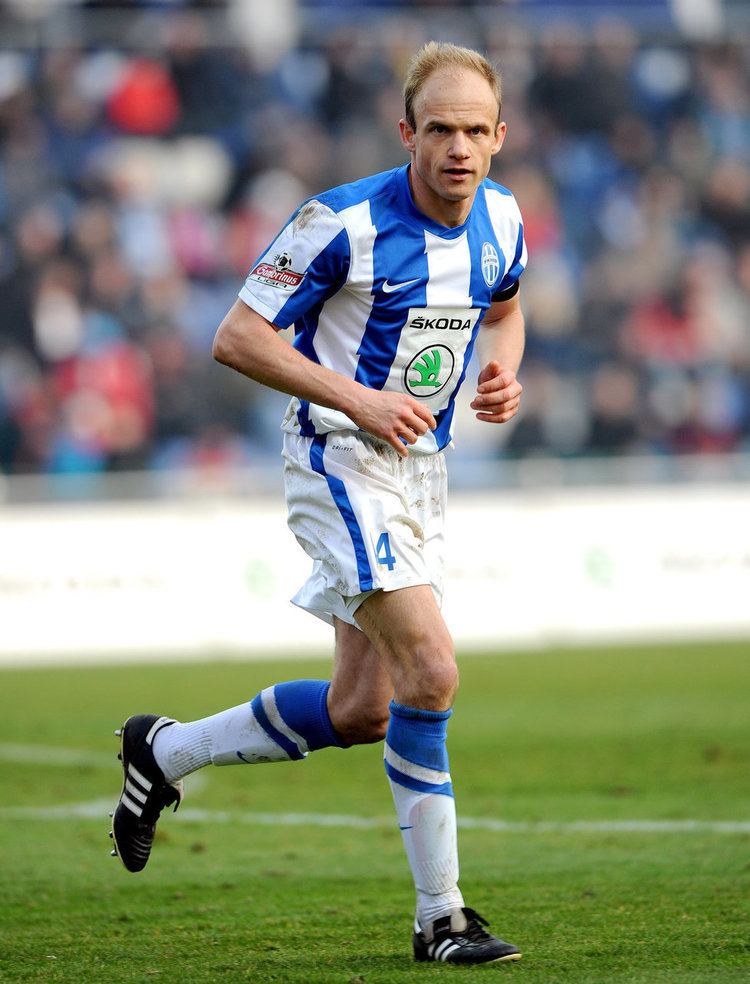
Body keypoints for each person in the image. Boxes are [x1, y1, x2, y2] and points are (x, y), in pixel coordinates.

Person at [110, 40, 526, 966]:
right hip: (337, 460)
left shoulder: (503, 217)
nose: (458, 147)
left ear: (500, 136)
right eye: (440, 129)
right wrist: (360, 399)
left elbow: (504, 310)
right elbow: (236, 336)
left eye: (474, 131)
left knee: (362, 709)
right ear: (406, 132)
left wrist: (505, 371)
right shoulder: (338, 222)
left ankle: (163, 753)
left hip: (421, 473)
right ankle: (441, 918)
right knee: (432, 672)